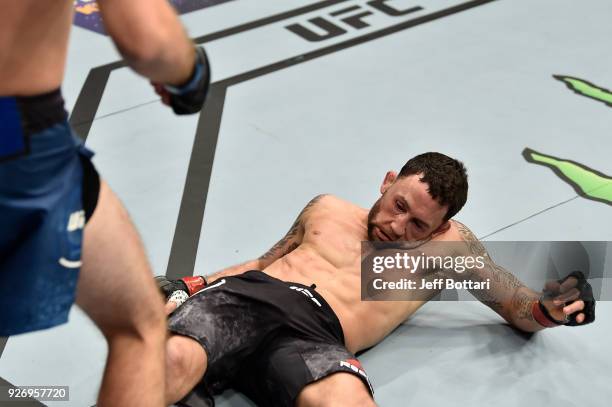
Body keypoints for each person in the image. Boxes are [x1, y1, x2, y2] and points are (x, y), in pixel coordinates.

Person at [157, 152, 595, 407]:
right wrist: (190, 285)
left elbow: (517, 307)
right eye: (399, 205)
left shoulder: (449, 250)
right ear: (388, 182)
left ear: (441, 229)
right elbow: (263, 261)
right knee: (173, 360)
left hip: (316, 337)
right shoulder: (327, 209)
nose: (398, 226)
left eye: (419, 225)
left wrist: (549, 311)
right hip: (248, 300)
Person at [0, 1, 210, 405]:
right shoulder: (338, 222)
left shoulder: (360, 243)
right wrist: (190, 72)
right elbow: (149, 41)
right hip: (15, 139)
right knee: (140, 328)